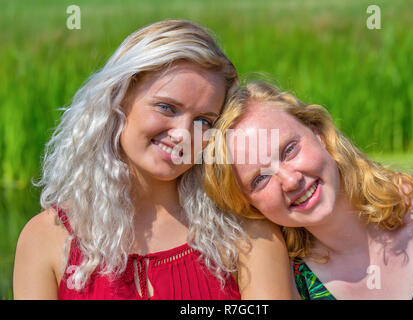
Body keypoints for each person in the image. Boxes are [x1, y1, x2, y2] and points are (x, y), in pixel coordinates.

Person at [13, 21, 295, 300]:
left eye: (203, 121)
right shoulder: (46, 238)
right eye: (166, 107)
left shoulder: (246, 233)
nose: (183, 134)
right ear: (120, 98)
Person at [203, 81, 413, 300]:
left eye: (289, 150)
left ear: (318, 133)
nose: (290, 181)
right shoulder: (291, 283)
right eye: (260, 179)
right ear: (248, 204)